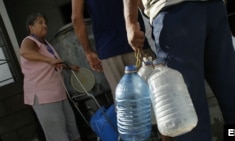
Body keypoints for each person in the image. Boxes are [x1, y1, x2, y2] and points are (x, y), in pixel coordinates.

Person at [123, 0, 235, 141]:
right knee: (231, 92)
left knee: (188, 106)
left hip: (174, 13)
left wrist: (131, 22)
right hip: (213, 8)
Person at [71, 0, 155, 100]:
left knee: (126, 105)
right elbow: (142, 5)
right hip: (136, 43)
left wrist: (88, 51)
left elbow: (76, 18)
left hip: (108, 52)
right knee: (155, 96)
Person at [20, 12, 82, 141]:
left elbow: (54, 63)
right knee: (58, 136)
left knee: (73, 131)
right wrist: (49, 60)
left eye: (45, 22)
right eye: (40, 23)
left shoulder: (46, 44)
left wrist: (70, 67)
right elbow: (25, 52)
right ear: (31, 27)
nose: (45, 25)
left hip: (59, 93)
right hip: (44, 97)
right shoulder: (29, 41)